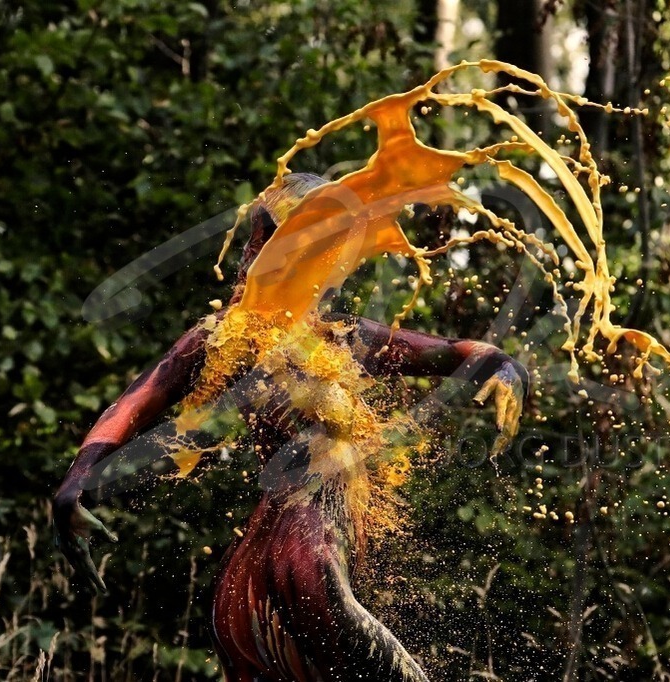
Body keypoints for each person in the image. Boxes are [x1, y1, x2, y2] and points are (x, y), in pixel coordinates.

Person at [53, 173, 528, 681]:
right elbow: (132, 406)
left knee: (328, 619)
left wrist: (505, 367)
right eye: (275, 239)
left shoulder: (344, 336)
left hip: (315, 523)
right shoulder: (224, 336)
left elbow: (452, 353)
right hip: (282, 529)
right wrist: (74, 484)